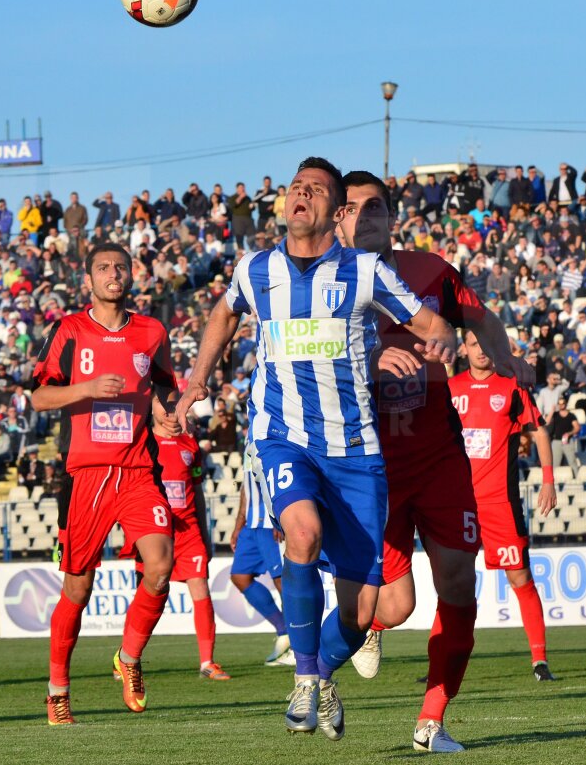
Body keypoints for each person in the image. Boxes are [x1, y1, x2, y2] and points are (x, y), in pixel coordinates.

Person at [174, 158, 456, 742]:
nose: (301, 195)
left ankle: (324, 672)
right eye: (295, 187)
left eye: (316, 190)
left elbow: (429, 322)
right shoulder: (255, 270)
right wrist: (199, 375)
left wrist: (443, 338)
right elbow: (225, 314)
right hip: (283, 438)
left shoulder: (366, 273)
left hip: (355, 451)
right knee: (300, 535)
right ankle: (304, 678)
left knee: (361, 613)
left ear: (335, 212)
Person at [334, 170, 534, 753]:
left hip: (440, 455)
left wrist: (504, 360)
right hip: (369, 463)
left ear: (392, 219)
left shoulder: (432, 273)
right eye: (351, 208)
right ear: (336, 219)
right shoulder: (323, 284)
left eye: (376, 208)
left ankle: (431, 720)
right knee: (394, 607)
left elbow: (482, 320)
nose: (364, 217)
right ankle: (357, 636)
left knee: (458, 582)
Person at [31, 242, 180, 725]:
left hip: (138, 471)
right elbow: (38, 397)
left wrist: (166, 414)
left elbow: (164, 387)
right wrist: (86, 389)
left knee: (160, 568)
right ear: (88, 280)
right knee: (78, 588)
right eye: (103, 268)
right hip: (87, 476)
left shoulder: (152, 331)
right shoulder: (70, 329)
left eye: (120, 267)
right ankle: (57, 690)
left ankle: (130, 658)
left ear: (132, 274)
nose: (113, 274)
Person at [449, 329, 558, 679]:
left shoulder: (510, 387)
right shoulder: (449, 391)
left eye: (486, 344)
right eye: (474, 344)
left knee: (520, 577)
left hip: (500, 504)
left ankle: (539, 660)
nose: (481, 351)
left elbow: (539, 431)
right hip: (459, 504)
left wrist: (549, 480)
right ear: (463, 349)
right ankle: (445, 659)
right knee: (452, 582)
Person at [116, 411, 229, 681]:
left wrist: (204, 534)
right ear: (152, 412)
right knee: (146, 594)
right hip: (154, 531)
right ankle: (127, 658)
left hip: (188, 532)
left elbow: (198, 493)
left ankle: (207, 662)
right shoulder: (142, 444)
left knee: (201, 588)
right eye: (166, 409)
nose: (174, 415)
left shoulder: (190, 446)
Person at [230, 441, 293, 667]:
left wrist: (279, 516)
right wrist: (238, 524)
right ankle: (284, 630)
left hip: (269, 523)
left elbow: (277, 479)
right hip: (251, 525)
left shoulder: (270, 433)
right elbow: (247, 486)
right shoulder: (248, 439)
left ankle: (298, 645)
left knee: (282, 582)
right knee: (240, 576)